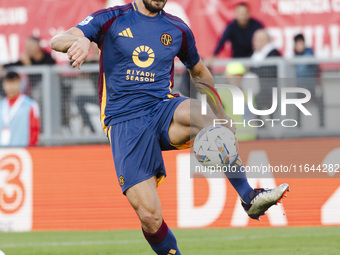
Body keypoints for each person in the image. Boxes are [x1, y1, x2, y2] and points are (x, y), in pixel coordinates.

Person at [51, 1, 289, 254]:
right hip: (124, 122)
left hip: (162, 109)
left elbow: (198, 70)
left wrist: (221, 115)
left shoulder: (177, 28)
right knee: (150, 217)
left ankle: (248, 197)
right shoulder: (110, 18)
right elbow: (58, 40)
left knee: (202, 115)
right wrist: (82, 41)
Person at [218, 62, 257, 141]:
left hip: (251, 139)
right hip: (231, 140)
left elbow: (253, 117)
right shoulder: (220, 94)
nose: (237, 78)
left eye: (240, 75)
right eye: (234, 76)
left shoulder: (247, 94)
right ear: (227, 76)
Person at [0, 71, 40, 147]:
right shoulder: (1, 105)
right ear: (3, 85)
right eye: (8, 83)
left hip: (23, 151)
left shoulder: (30, 105)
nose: (11, 87)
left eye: (14, 83)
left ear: (19, 83)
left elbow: (34, 131)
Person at [293, 33, 323, 127]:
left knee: (320, 104)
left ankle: (322, 125)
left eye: (301, 43)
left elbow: (316, 68)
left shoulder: (310, 55)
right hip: (299, 88)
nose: (299, 45)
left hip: (311, 88)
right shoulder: (294, 57)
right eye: (297, 43)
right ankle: (298, 127)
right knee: (296, 106)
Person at [250, 29, 281, 113]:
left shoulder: (273, 54)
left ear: (263, 41)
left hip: (270, 91)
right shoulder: (257, 55)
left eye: (255, 40)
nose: (253, 42)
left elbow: (270, 74)